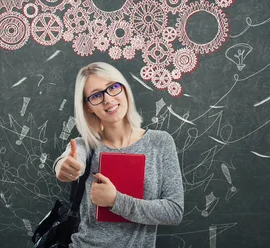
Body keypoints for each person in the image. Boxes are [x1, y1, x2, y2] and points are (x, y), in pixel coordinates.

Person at [53, 62, 184, 247]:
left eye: (113, 87)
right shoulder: (85, 146)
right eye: (96, 95)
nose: (107, 99)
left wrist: (116, 200)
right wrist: (63, 166)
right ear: (89, 106)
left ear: (124, 89)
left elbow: (174, 211)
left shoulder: (160, 143)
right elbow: (70, 159)